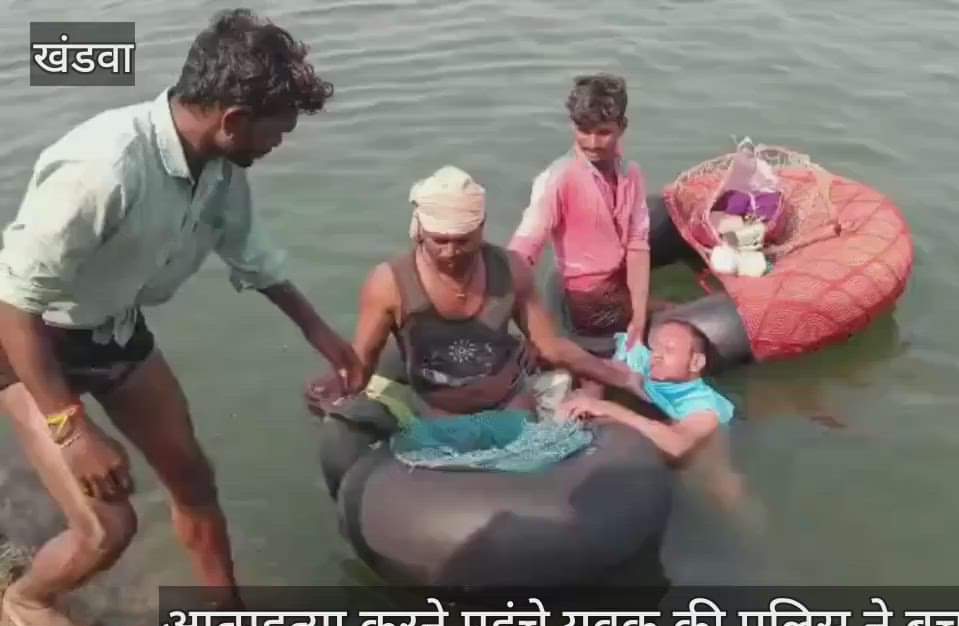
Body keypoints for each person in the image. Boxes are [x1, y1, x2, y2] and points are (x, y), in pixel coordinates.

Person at [0, 9, 361, 626]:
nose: (280, 144)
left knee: (193, 477)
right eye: (278, 131)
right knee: (108, 526)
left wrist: (321, 333)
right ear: (233, 120)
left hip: (114, 330)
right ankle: (27, 598)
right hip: (31, 341)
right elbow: (14, 301)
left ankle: (225, 623)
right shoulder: (104, 166)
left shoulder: (219, 167)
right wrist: (71, 429)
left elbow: (250, 252)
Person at [306, 165, 643, 420]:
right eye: (440, 241)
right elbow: (364, 361)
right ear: (420, 230)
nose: (451, 253)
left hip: (509, 400)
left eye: (463, 241)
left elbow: (551, 346)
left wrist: (621, 376)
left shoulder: (511, 270)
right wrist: (339, 384)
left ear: (482, 226)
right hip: (434, 408)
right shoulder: (389, 283)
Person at [508, 73, 653, 373]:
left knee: (661, 318)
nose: (593, 143)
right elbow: (525, 248)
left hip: (618, 286)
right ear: (572, 125)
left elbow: (638, 244)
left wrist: (639, 317)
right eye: (583, 130)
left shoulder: (631, 173)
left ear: (622, 127)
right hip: (585, 300)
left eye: (604, 132)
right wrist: (521, 319)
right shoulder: (558, 178)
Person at [557, 319, 748, 511]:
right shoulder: (655, 370)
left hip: (709, 469)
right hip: (665, 438)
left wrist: (609, 409)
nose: (657, 355)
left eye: (669, 350)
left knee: (726, 493)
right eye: (655, 347)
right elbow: (600, 365)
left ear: (696, 362)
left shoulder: (704, 407)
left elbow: (678, 445)